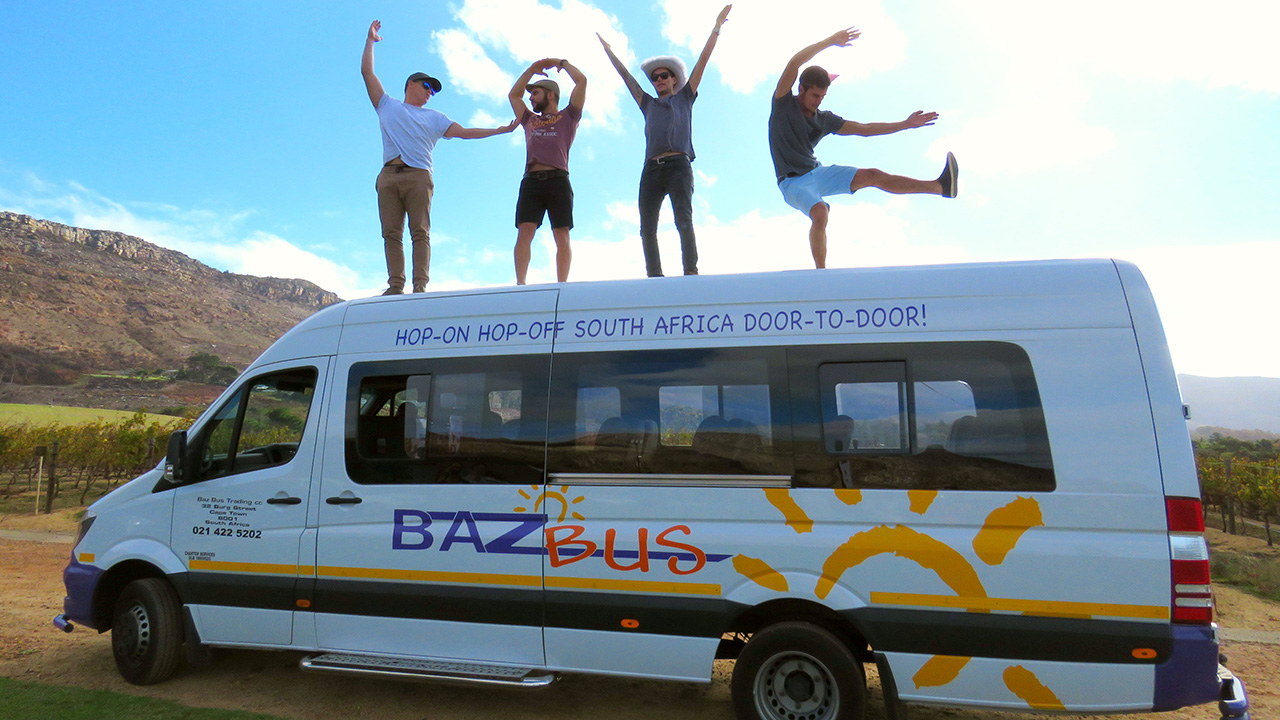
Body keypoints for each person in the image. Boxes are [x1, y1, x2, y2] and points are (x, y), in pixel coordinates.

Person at [769, 27, 958, 269]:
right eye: (815, 95)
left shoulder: (825, 119)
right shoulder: (783, 103)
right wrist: (830, 41)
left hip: (817, 173)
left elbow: (864, 129)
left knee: (872, 175)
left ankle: (941, 186)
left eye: (823, 96)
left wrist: (905, 124)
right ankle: (821, 274)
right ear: (801, 89)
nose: (818, 101)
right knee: (820, 212)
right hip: (792, 182)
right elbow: (795, 62)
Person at [362, 20, 517, 295]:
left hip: (419, 176)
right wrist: (370, 41)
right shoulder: (387, 106)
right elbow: (367, 73)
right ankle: (395, 285)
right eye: (426, 86)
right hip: (388, 175)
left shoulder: (435, 118)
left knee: (419, 232)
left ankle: (420, 286)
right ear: (411, 84)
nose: (429, 93)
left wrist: (499, 130)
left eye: (432, 91)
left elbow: (465, 132)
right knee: (391, 233)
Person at [598, 4, 731, 278]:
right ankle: (654, 277)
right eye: (654, 77)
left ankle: (690, 272)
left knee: (683, 219)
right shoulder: (647, 103)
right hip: (651, 170)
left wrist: (716, 28)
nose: (657, 80)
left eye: (663, 76)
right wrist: (609, 52)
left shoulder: (685, 97)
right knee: (647, 227)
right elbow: (627, 78)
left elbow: (702, 61)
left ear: (674, 79)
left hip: (678, 165)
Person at [508, 58, 587, 285]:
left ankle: (562, 286)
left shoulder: (569, 116)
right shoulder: (530, 120)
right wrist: (532, 70)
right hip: (531, 181)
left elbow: (582, 81)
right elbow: (514, 95)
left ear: (550, 95)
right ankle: (520, 285)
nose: (530, 97)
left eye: (536, 93)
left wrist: (562, 63)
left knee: (561, 234)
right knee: (524, 232)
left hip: (558, 180)